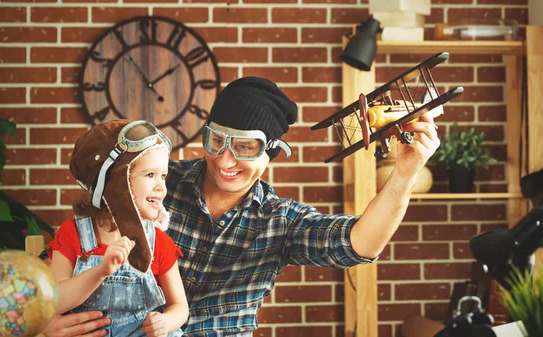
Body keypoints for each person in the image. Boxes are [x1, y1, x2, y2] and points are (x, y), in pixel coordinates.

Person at [42, 77, 440, 336]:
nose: (226, 160)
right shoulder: (154, 184)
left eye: (246, 147)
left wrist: (404, 174)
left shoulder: (279, 220)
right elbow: (65, 259)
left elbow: (358, 244)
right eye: (217, 141)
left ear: (270, 153)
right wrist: (46, 326)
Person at [46, 120, 189, 337]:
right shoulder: (72, 234)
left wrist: (165, 322)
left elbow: (180, 307)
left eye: (163, 176)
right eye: (150, 175)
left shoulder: (158, 241)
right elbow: (54, 302)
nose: (162, 186)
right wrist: (100, 272)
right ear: (115, 182)